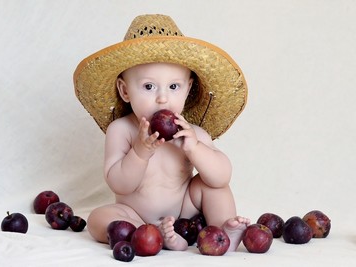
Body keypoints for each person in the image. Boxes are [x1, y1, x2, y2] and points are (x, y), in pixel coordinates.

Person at [73, 14, 249, 252]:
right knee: (98, 219)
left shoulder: (192, 134)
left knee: (212, 186)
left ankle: (220, 231)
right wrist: (140, 152)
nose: (162, 97)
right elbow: (119, 184)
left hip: (185, 212)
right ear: (125, 91)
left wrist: (195, 149)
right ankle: (148, 235)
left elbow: (222, 176)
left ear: (188, 90)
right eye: (148, 86)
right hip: (134, 214)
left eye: (174, 86)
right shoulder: (122, 130)